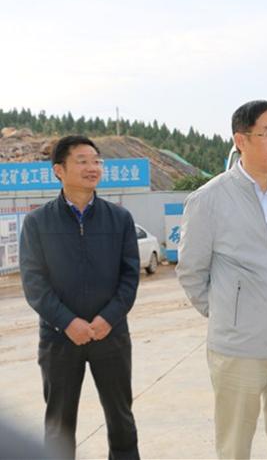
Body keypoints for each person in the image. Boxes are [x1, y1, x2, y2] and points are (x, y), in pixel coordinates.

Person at [176, 100, 267, 459]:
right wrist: (229, 314)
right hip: (239, 350)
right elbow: (191, 270)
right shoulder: (209, 198)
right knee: (235, 445)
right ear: (241, 140)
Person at [19, 135, 140, 459]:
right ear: (59, 170)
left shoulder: (120, 219)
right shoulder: (37, 222)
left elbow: (130, 277)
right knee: (59, 425)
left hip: (110, 335)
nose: (93, 168)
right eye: (82, 161)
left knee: (121, 420)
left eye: (97, 161)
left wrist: (107, 319)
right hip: (59, 339)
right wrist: (67, 322)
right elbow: (34, 283)